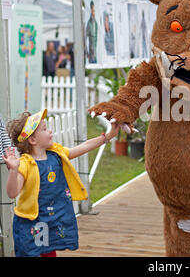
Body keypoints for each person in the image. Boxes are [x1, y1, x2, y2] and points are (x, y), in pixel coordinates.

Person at [3, 109, 119, 257]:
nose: (50, 131)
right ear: (32, 140)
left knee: (50, 253)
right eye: (44, 129)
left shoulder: (57, 154)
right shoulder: (25, 164)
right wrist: (13, 171)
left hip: (53, 219)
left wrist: (107, 136)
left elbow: (84, 147)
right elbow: (12, 193)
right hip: (31, 222)